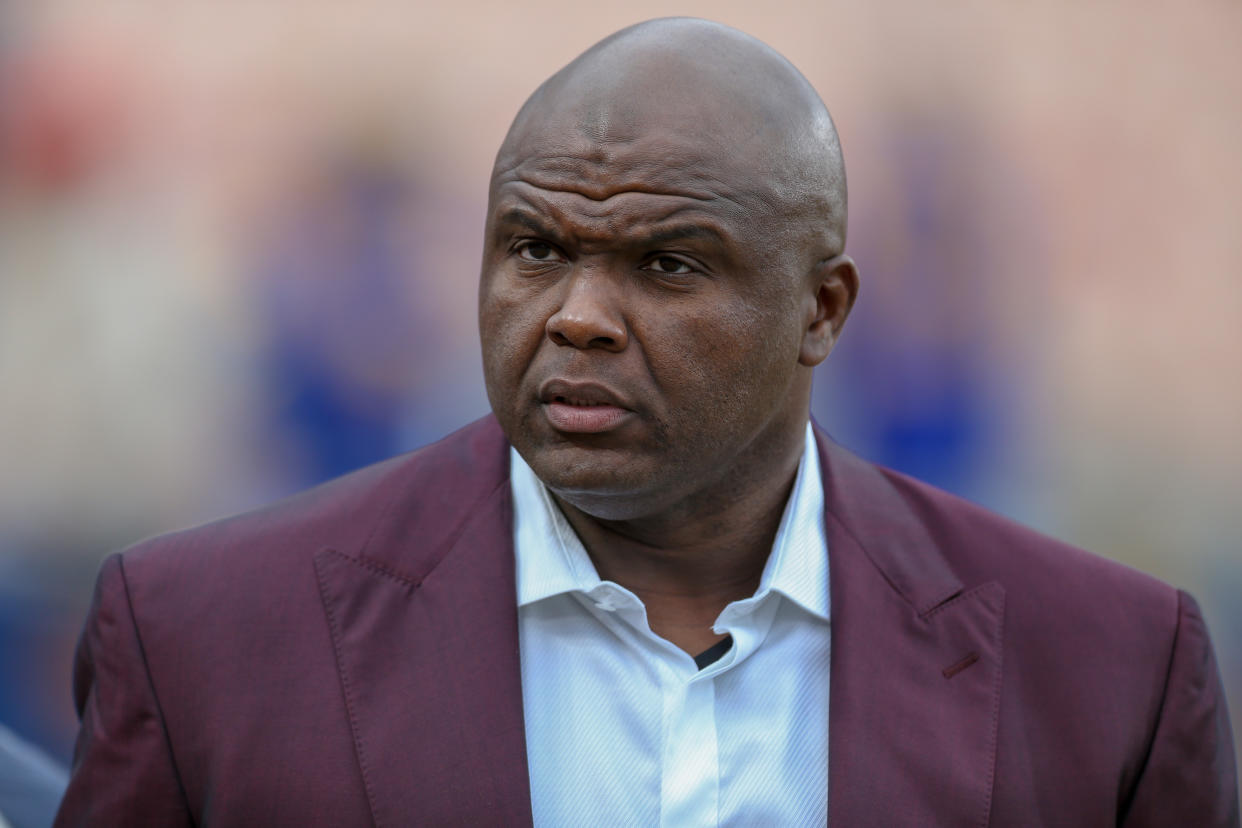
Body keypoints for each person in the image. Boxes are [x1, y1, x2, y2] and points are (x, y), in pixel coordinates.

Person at [55, 18, 1237, 827]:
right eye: (535, 250)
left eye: (667, 264)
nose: (577, 318)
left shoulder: (1107, 673)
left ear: (821, 309)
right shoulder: (205, 644)